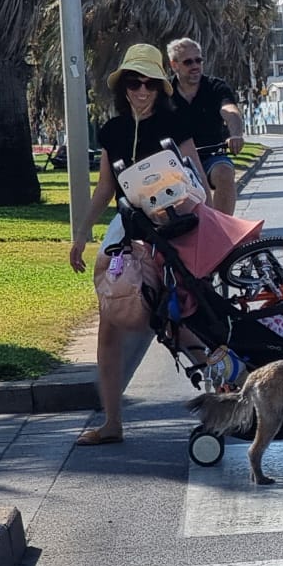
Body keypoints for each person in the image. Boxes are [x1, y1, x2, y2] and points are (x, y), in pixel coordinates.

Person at [67, 44, 193, 446]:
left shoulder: (175, 125)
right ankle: (112, 423)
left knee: (182, 315)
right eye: (133, 83)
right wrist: (83, 232)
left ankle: (233, 392)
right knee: (111, 317)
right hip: (129, 228)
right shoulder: (114, 130)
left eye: (149, 84)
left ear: (159, 86)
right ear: (123, 87)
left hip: (173, 228)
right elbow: (106, 186)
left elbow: (195, 180)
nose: (141, 91)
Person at [166, 38, 247, 215]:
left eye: (198, 60)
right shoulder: (164, 94)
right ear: (174, 65)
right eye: (188, 62)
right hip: (176, 164)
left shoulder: (215, 87)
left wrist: (236, 134)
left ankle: (221, 231)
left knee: (225, 173)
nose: (195, 65)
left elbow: (230, 110)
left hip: (212, 157)